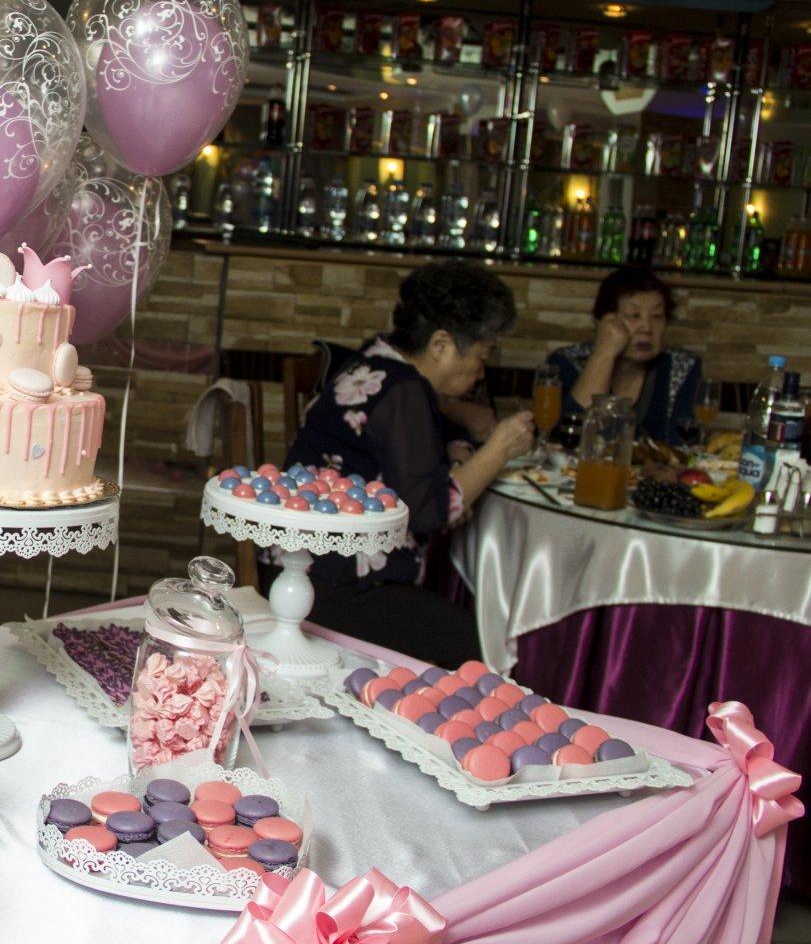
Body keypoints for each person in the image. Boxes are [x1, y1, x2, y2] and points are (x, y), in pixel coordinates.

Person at [273, 261, 534, 666]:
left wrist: (458, 445)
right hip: (333, 589)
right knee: (486, 649)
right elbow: (430, 512)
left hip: (306, 570)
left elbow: (417, 450)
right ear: (441, 344)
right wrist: (499, 449)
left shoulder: (378, 362)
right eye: (482, 355)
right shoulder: (405, 391)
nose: (481, 371)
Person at [547, 266, 700, 444]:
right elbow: (566, 440)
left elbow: (683, 447)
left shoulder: (682, 367)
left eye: (657, 316)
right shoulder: (567, 362)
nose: (647, 328)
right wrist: (604, 353)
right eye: (634, 315)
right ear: (604, 321)